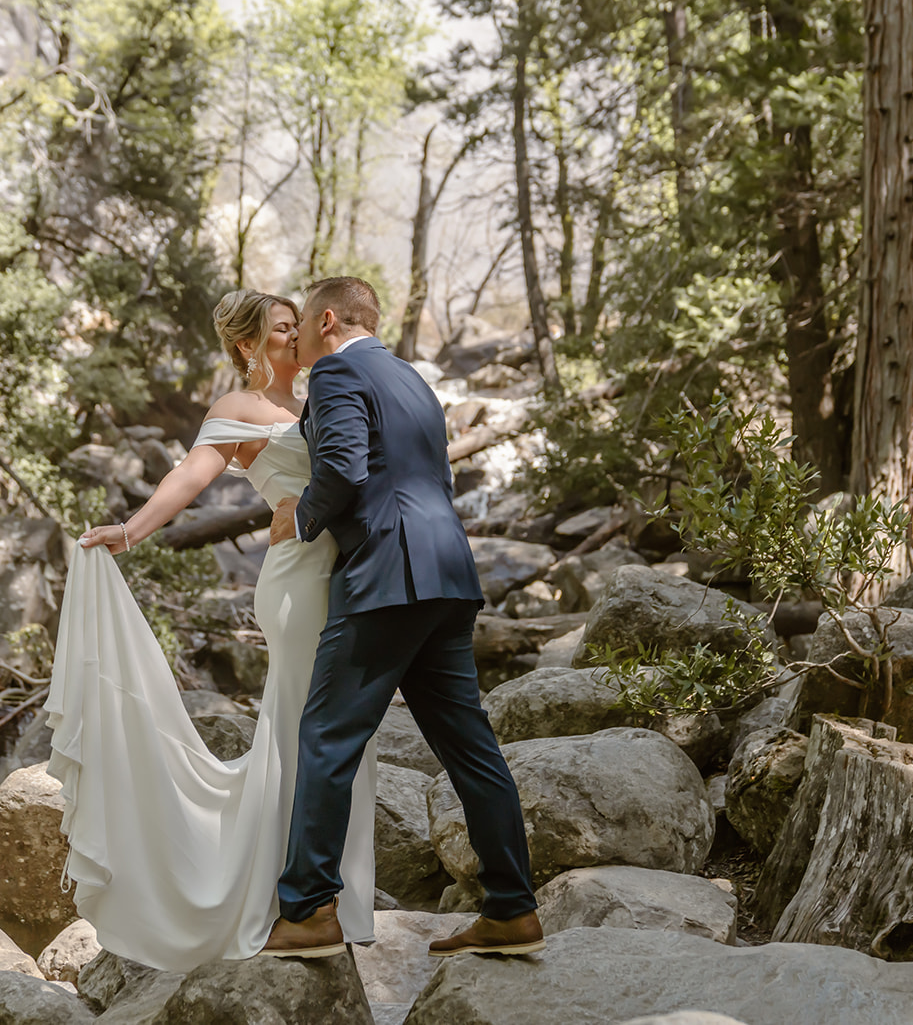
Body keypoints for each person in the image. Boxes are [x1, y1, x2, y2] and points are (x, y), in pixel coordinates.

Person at [49, 289, 376, 971]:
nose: (294, 338)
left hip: (348, 580)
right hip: (297, 585)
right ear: (247, 347)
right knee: (301, 733)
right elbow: (189, 476)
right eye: (281, 330)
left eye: (296, 328)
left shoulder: (324, 394)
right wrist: (130, 532)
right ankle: (288, 897)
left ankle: (330, 898)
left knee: (341, 732)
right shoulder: (238, 411)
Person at [259, 276, 545, 959]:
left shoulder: (334, 373)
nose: (296, 339)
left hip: (387, 577)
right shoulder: (414, 380)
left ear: (326, 321)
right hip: (448, 573)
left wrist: (296, 518)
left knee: (326, 736)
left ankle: (308, 909)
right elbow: (429, 477)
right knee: (470, 747)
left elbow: (346, 469)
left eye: (301, 326)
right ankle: (512, 907)